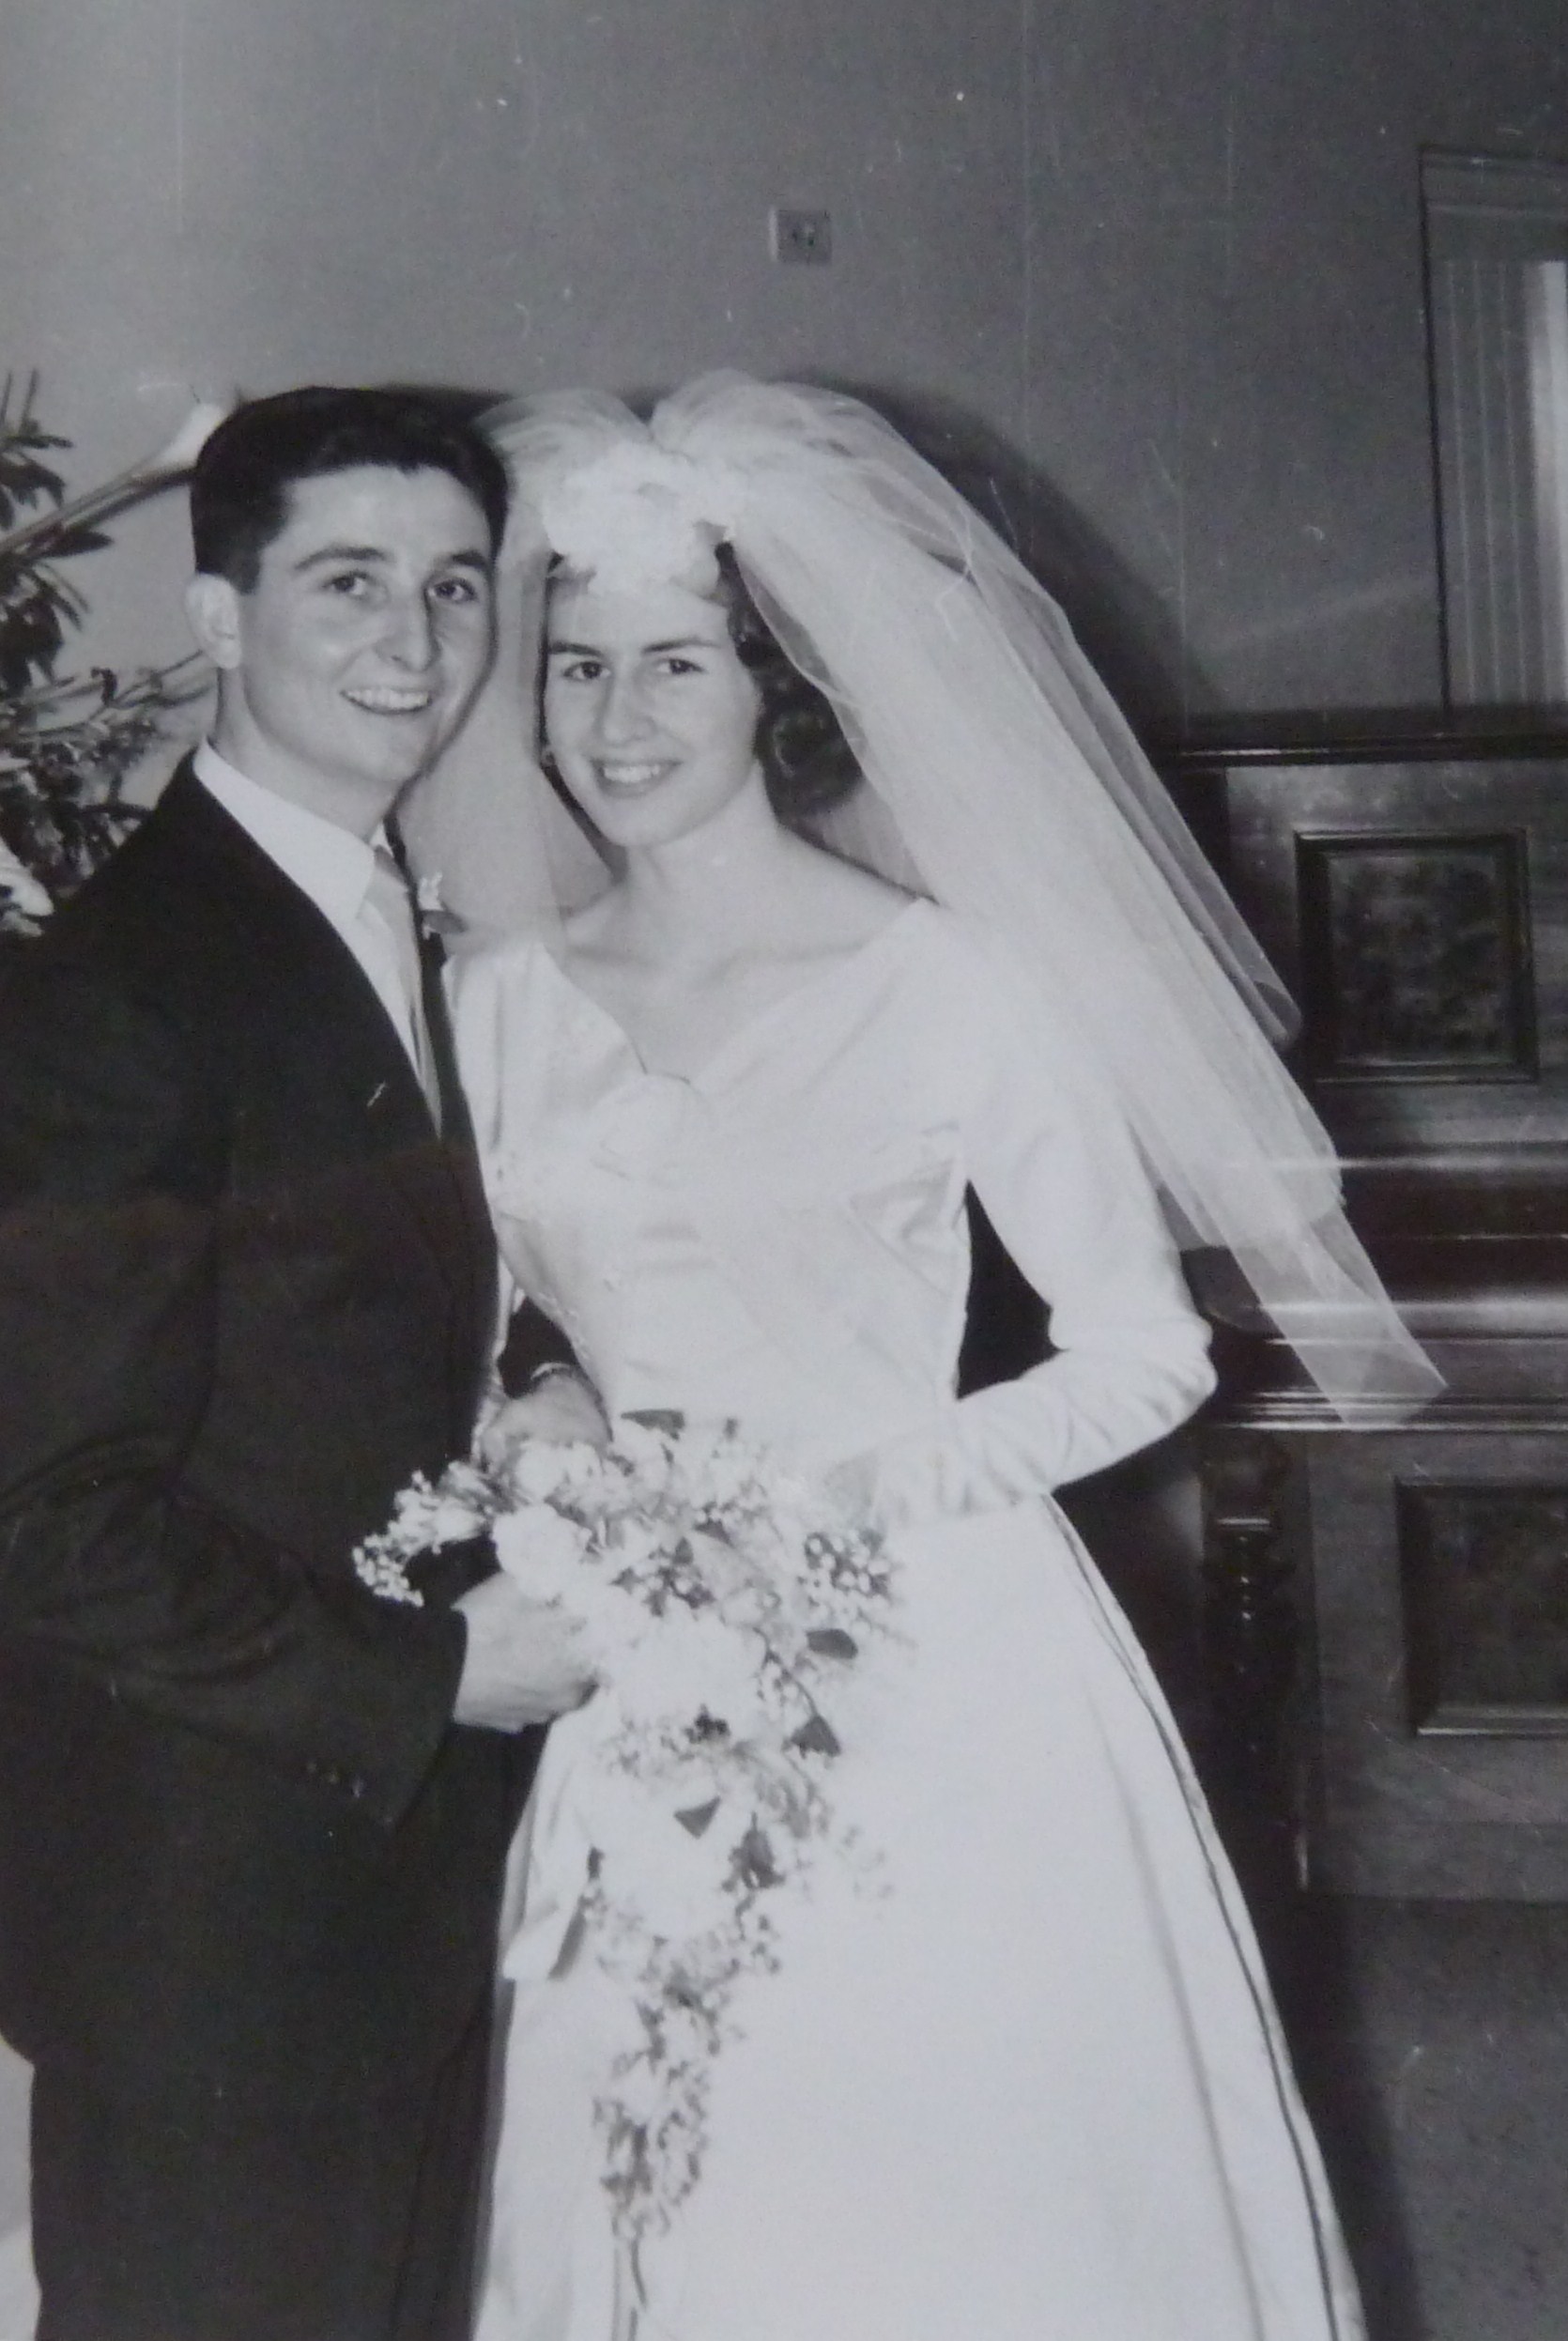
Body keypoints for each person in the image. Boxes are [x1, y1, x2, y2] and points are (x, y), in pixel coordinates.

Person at [433, 372, 1442, 2341]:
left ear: (775, 694)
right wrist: (525, 1404)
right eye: (574, 667)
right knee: (651, 2127)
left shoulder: (950, 978)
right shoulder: (493, 998)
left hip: (930, 1635)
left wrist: (847, 1497)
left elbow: (1144, 1349)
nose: (615, 719)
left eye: (673, 666)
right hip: (627, 1648)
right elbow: (474, 1317)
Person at [0, 387, 601, 2341]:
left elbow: (383, 1293)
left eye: (454, 586)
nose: (414, 641)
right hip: (212, 1927)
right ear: (218, 616)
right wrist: (435, 1675)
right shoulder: (117, 989)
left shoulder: (369, 911)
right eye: (348, 582)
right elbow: (44, 1516)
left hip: (375, 1892)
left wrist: (534, 1371)